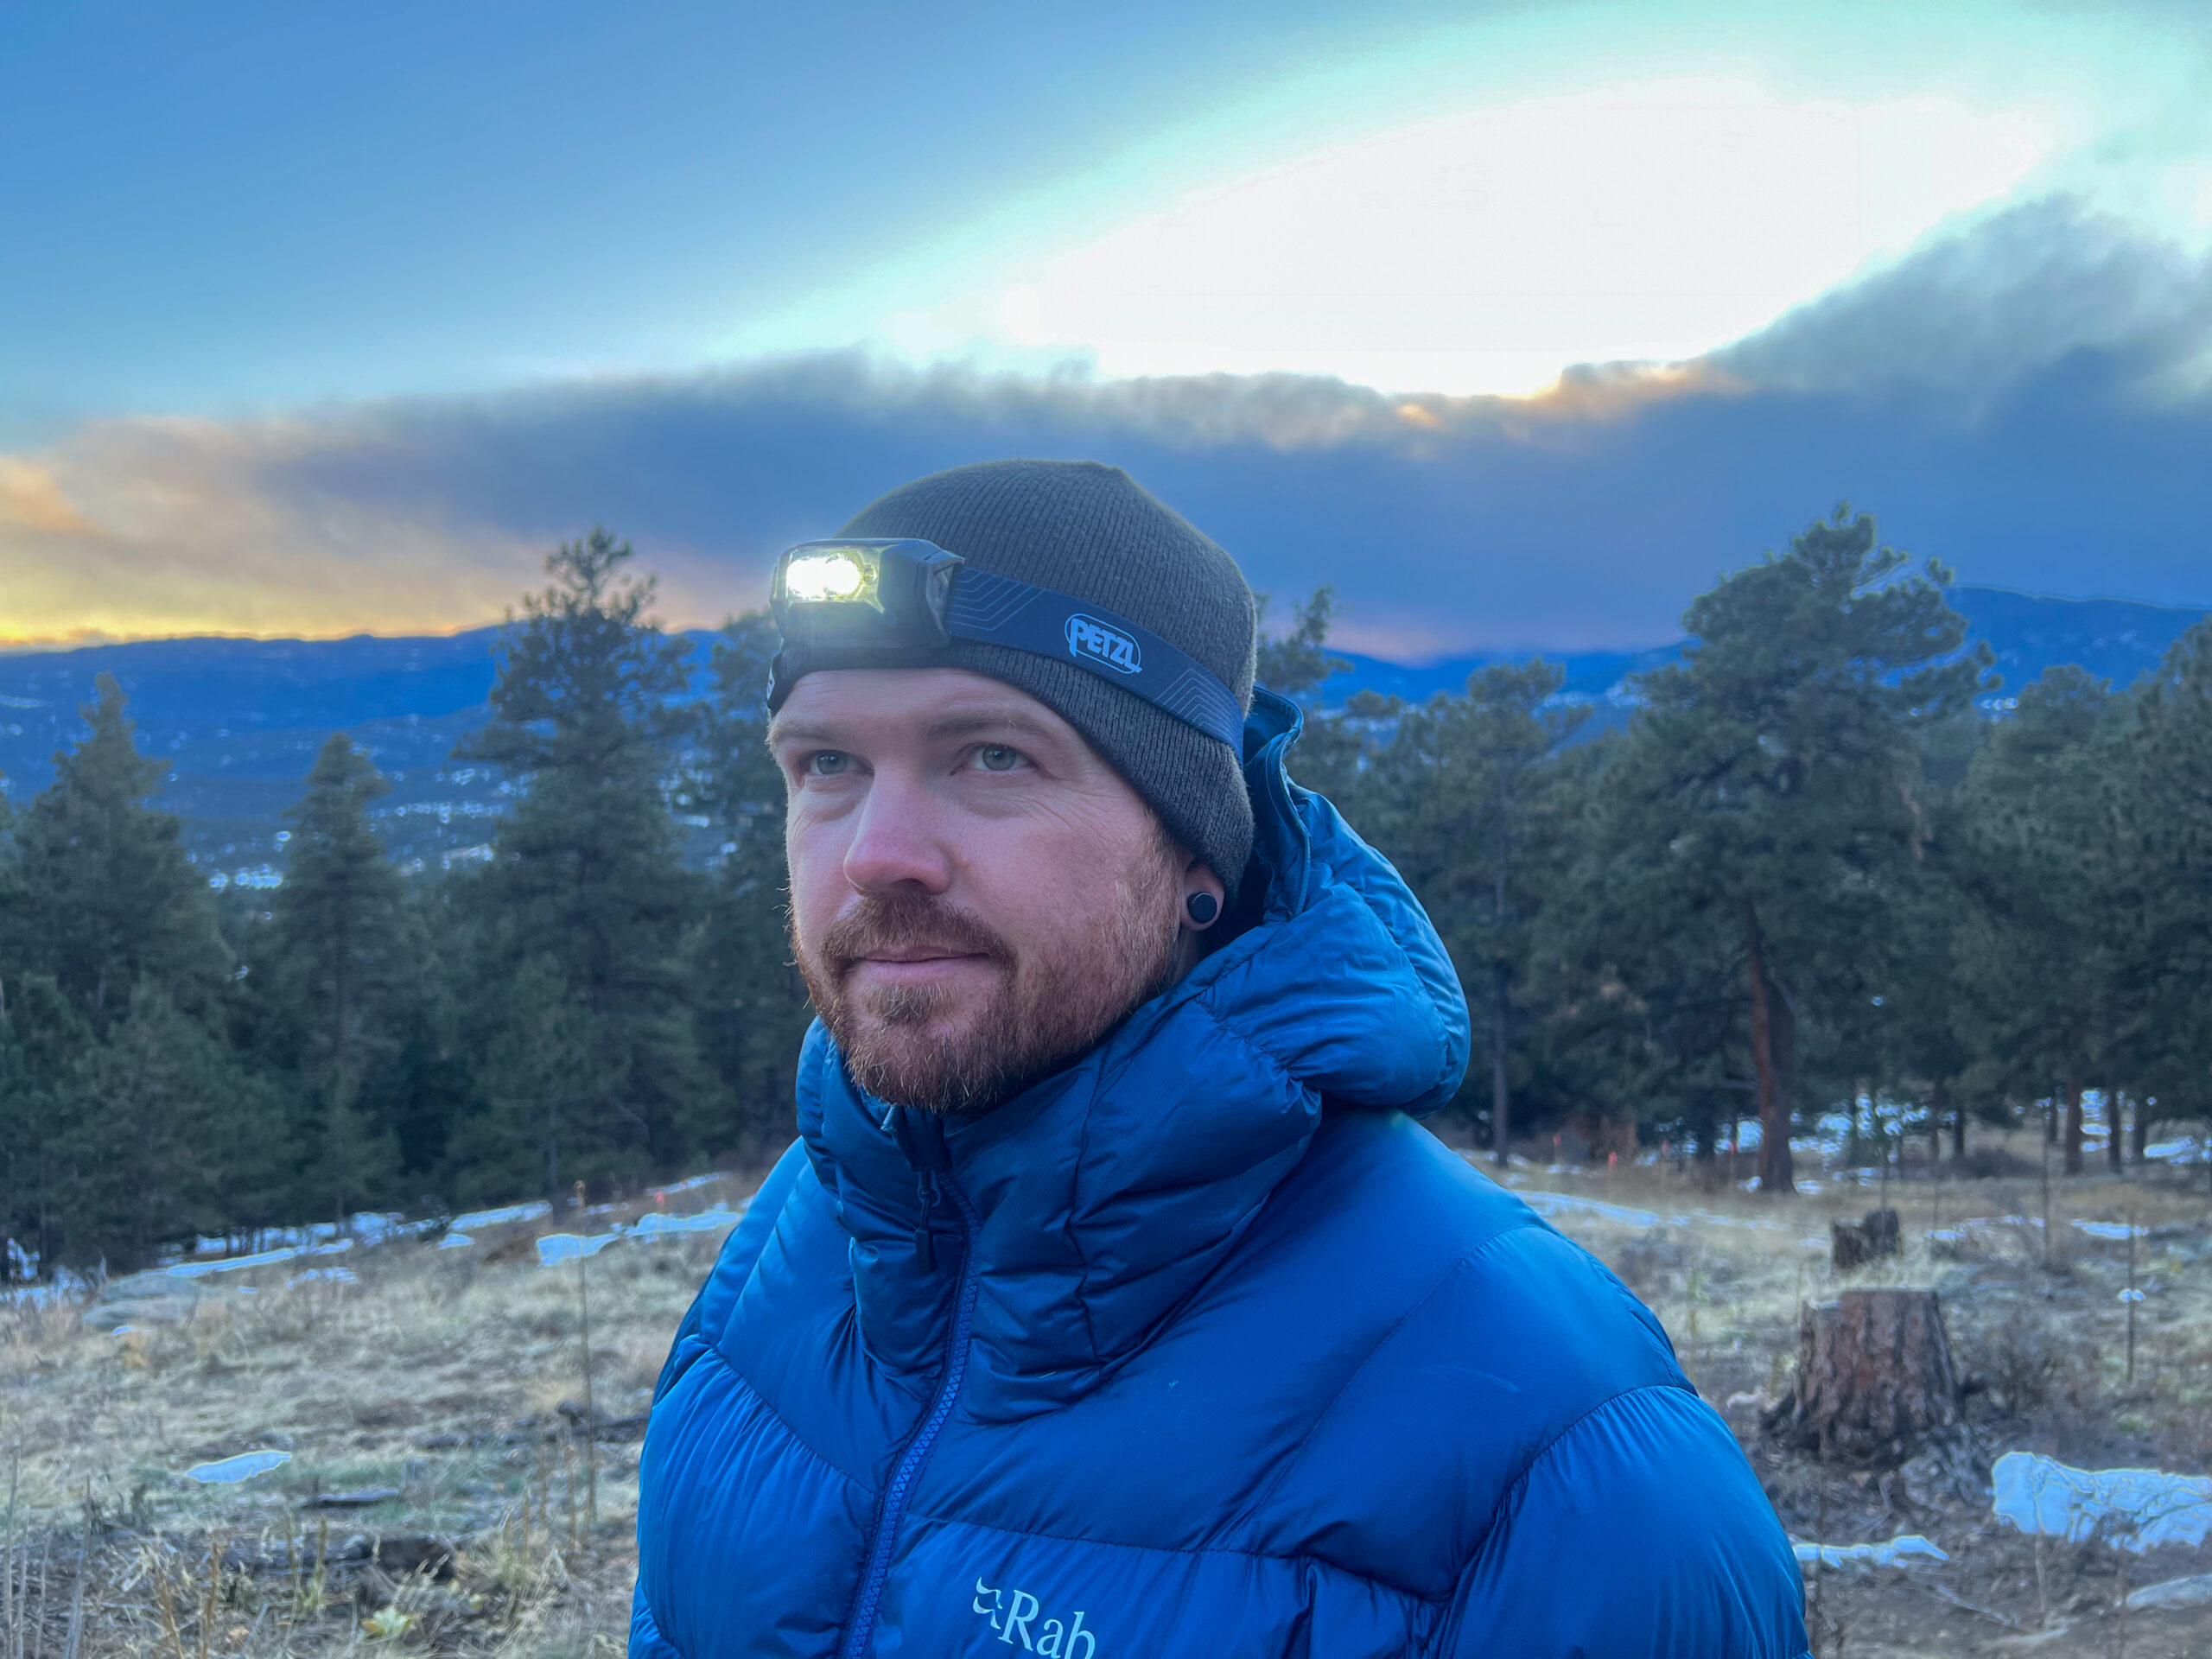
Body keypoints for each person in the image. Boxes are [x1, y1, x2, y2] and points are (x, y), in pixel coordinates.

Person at [632, 460, 1809, 1657]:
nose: (878, 854)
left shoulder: (1567, 1478)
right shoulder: (794, 1254)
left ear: (1197, 855)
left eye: (992, 757)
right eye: (826, 764)